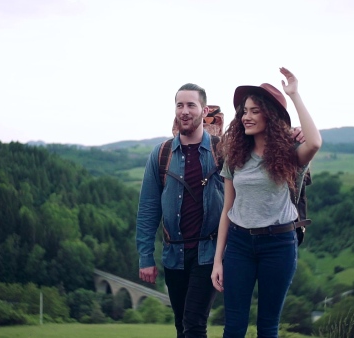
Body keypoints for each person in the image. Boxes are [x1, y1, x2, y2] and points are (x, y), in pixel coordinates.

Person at [211, 67, 322, 338]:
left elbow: (316, 142)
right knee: (234, 326)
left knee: (268, 326)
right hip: (238, 245)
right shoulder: (235, 155)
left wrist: (294, 95)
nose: (246, 117)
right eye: (244, 111)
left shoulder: (290, 155)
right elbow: (227, 209)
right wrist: (218, 260)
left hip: (279, 245)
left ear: (270, 115)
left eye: (254, 111)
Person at [136, 83, 224, 338]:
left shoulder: (222, 151)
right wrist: (146, 257)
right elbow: (148, 208)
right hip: (174, 252)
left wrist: (293, 134)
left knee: (194, 325)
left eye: (191, 105)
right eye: (180, 105)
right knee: (181, 326)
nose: (184, 111)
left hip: (208, 253)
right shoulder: (161, 153)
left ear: (203, 110)